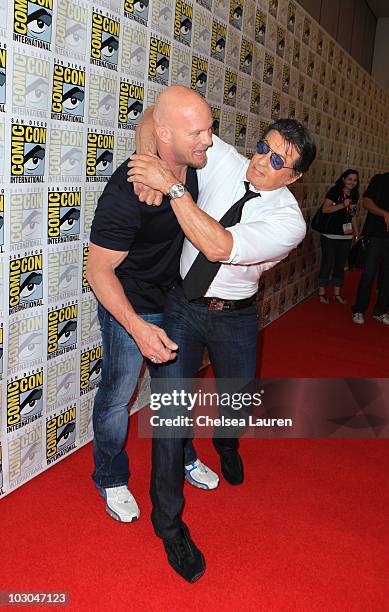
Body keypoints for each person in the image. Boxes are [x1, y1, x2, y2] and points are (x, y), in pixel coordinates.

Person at [128, 102, 316, 582]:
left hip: (234, 317)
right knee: (171, 418)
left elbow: (218, 246)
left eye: (278, 161)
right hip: (181, 307)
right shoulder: (227, 159)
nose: (260, 161)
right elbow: (156, 116)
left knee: (237, 399)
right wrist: (148, 162)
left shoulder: (289, 221)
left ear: (294, 177)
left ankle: (226, 442)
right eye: (262, 147)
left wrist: (171, 186)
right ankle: (169, 525)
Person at [86, 87, 220, 528]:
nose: (209, 140)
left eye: (209, 128)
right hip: (131, 304)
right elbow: (98, 271)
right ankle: (109, 475)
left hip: (175, 299)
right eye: (198, 132)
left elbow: (152, 114)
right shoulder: (128, 191)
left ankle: (182, 455)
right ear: (166, 135)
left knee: (176, 394)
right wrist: (137, 329)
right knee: (118, 394)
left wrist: (157, 157)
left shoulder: (191, 163)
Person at [352, 172, 389, 325]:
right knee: (368, 273)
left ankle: (380, 311)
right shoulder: (380, 179)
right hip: (375, 234)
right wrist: (385, 214)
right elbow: (366, 202)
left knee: (387, 277)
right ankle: (359, 310)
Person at [317, 169, 359, 304]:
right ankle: (322, 292)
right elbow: (325, 209)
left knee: (340, 264)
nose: (352, 182)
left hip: (345, 235)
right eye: (350, 179)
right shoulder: (335, 191)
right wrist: (342, 205)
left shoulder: (355, 194)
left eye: (355, 180)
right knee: (328, 263)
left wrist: (356, 233)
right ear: (343, 179)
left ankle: (337, 293)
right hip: (330, 234)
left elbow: (352, 215)